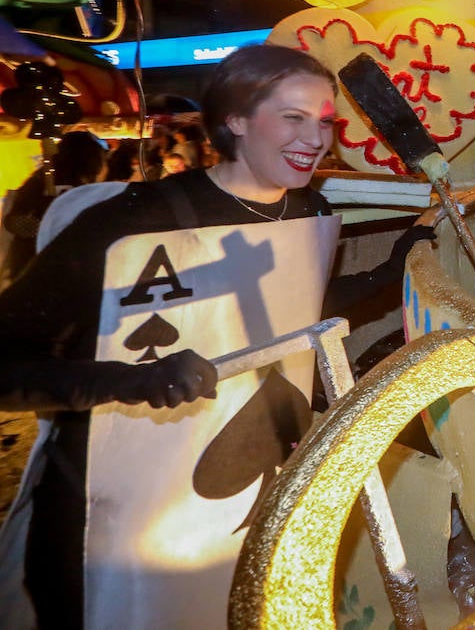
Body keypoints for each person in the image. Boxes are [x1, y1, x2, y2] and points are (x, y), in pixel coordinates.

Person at [0, 44, 434, 627]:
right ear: (235, 120)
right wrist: (132, 381)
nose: (314, 139)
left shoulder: (305, 210)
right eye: (292, 116)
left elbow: (293, 308)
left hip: (234, 514)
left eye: (325, 121)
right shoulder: (133, 221)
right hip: (105, 529)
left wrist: (391, 271)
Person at [0, 130, 108, 285]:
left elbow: (13, 221)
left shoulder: (41, 180)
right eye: (102, 158)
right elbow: (15, 222)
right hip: (51, 272)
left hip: (32, 272)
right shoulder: (72, 188)